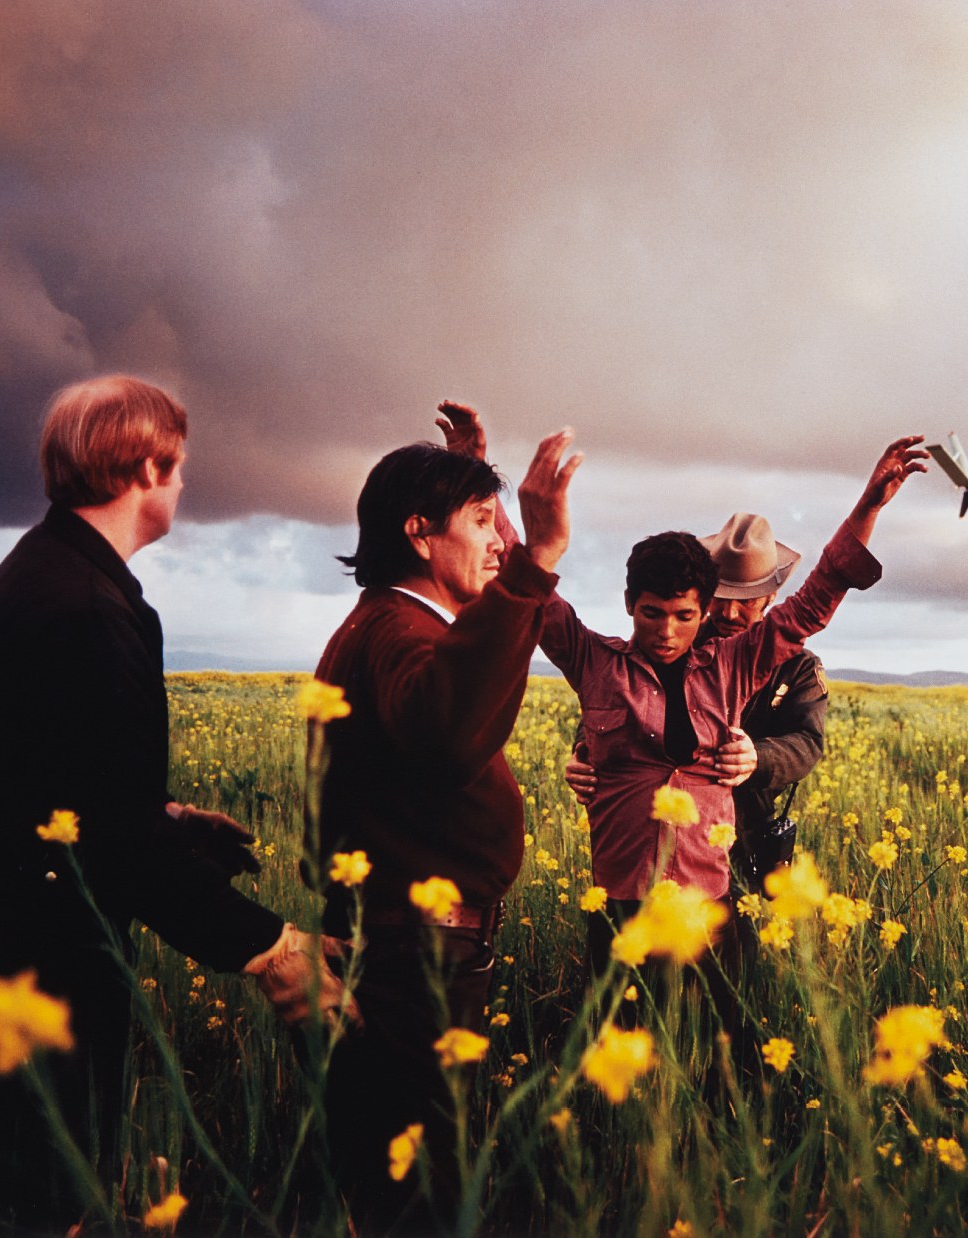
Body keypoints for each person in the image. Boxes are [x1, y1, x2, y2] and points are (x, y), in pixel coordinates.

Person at [0, 375, 344, 1230]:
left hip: (2, 929)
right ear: (146, 465)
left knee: (31, 1185)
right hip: (42, 954)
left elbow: (27, 775)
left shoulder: (44, 572)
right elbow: (108, 842)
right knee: (52, 1201)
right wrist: (270, 947)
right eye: (178, 465)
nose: (184, 484)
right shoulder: (86, 605)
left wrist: (170, 818)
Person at [309, 406, 578, 1232]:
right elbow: (444, 729)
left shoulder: (396, 624)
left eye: (501, 526)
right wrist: (536, 563)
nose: (497, 542)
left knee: (406, 1168)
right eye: (479, 523)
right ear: (420, 535)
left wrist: (470, 475)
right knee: (417, 1187)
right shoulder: (395, 630)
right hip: (412, 956)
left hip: (407, 946)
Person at [529, 438, 927, 990]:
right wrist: (583, 754)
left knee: (725, 1027)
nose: (669, 629)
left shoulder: (759, 662)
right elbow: (600, 697)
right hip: (624, 886)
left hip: (733, 851)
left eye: (685, 614)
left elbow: (816, 619)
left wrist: (754, 758)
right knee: (622, 1034)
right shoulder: (610, 660)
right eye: (656, 613)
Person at [564, 511, 828, 967]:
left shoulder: (797, 665)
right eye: (722, 597)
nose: (729, 612)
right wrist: (582, 755)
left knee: (727, 964)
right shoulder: (676, 634)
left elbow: (808, 742)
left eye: (746, 601)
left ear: (771, 596)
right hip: (652, 833)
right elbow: (615, 700)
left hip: (742, 823)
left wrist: (757, 757)